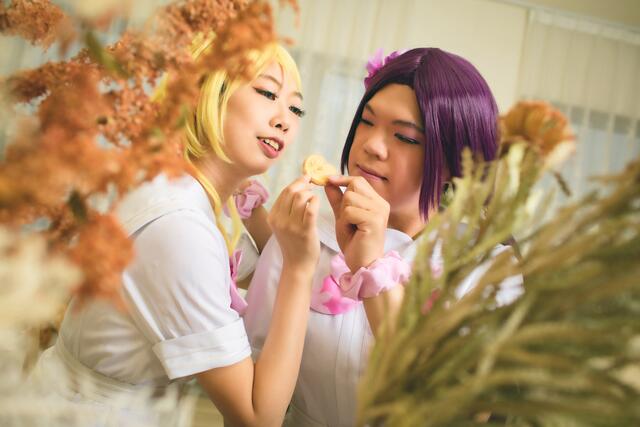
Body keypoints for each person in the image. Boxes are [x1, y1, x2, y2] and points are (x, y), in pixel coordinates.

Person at [32, 35, 320, 427]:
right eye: (268, 93)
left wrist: (255, 211)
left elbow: (257, 272)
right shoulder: (180, 227)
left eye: (296, 108)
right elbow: (257, 417)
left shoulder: (175, 186)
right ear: (207, 92)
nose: (285, 119)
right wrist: (301, 269)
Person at [243, 47, 523, 426]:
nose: (371, 146)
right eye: (366, 121)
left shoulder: (487, 267)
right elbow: (250, 402)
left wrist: (372, 267)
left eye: (405, 137)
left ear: (455, 162)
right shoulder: (301, 237)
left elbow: (461, 413)